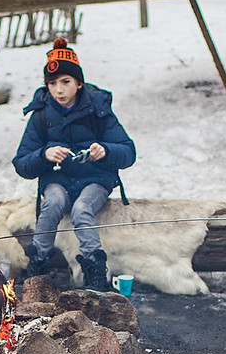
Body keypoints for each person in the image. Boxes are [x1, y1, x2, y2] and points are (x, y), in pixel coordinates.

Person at [12, 38, 136, 291]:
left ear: (78, 83)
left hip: (95, 180)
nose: (59, 90)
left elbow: (128, 151)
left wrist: (105, 150)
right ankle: (38, 265)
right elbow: (22, 163)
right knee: (53, 204)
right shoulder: (42, 115)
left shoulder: (98, 109)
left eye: (66, 82)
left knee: (81, 210)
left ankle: (94, 270)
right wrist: (44, 154)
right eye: (52, 83)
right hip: (58, 179)